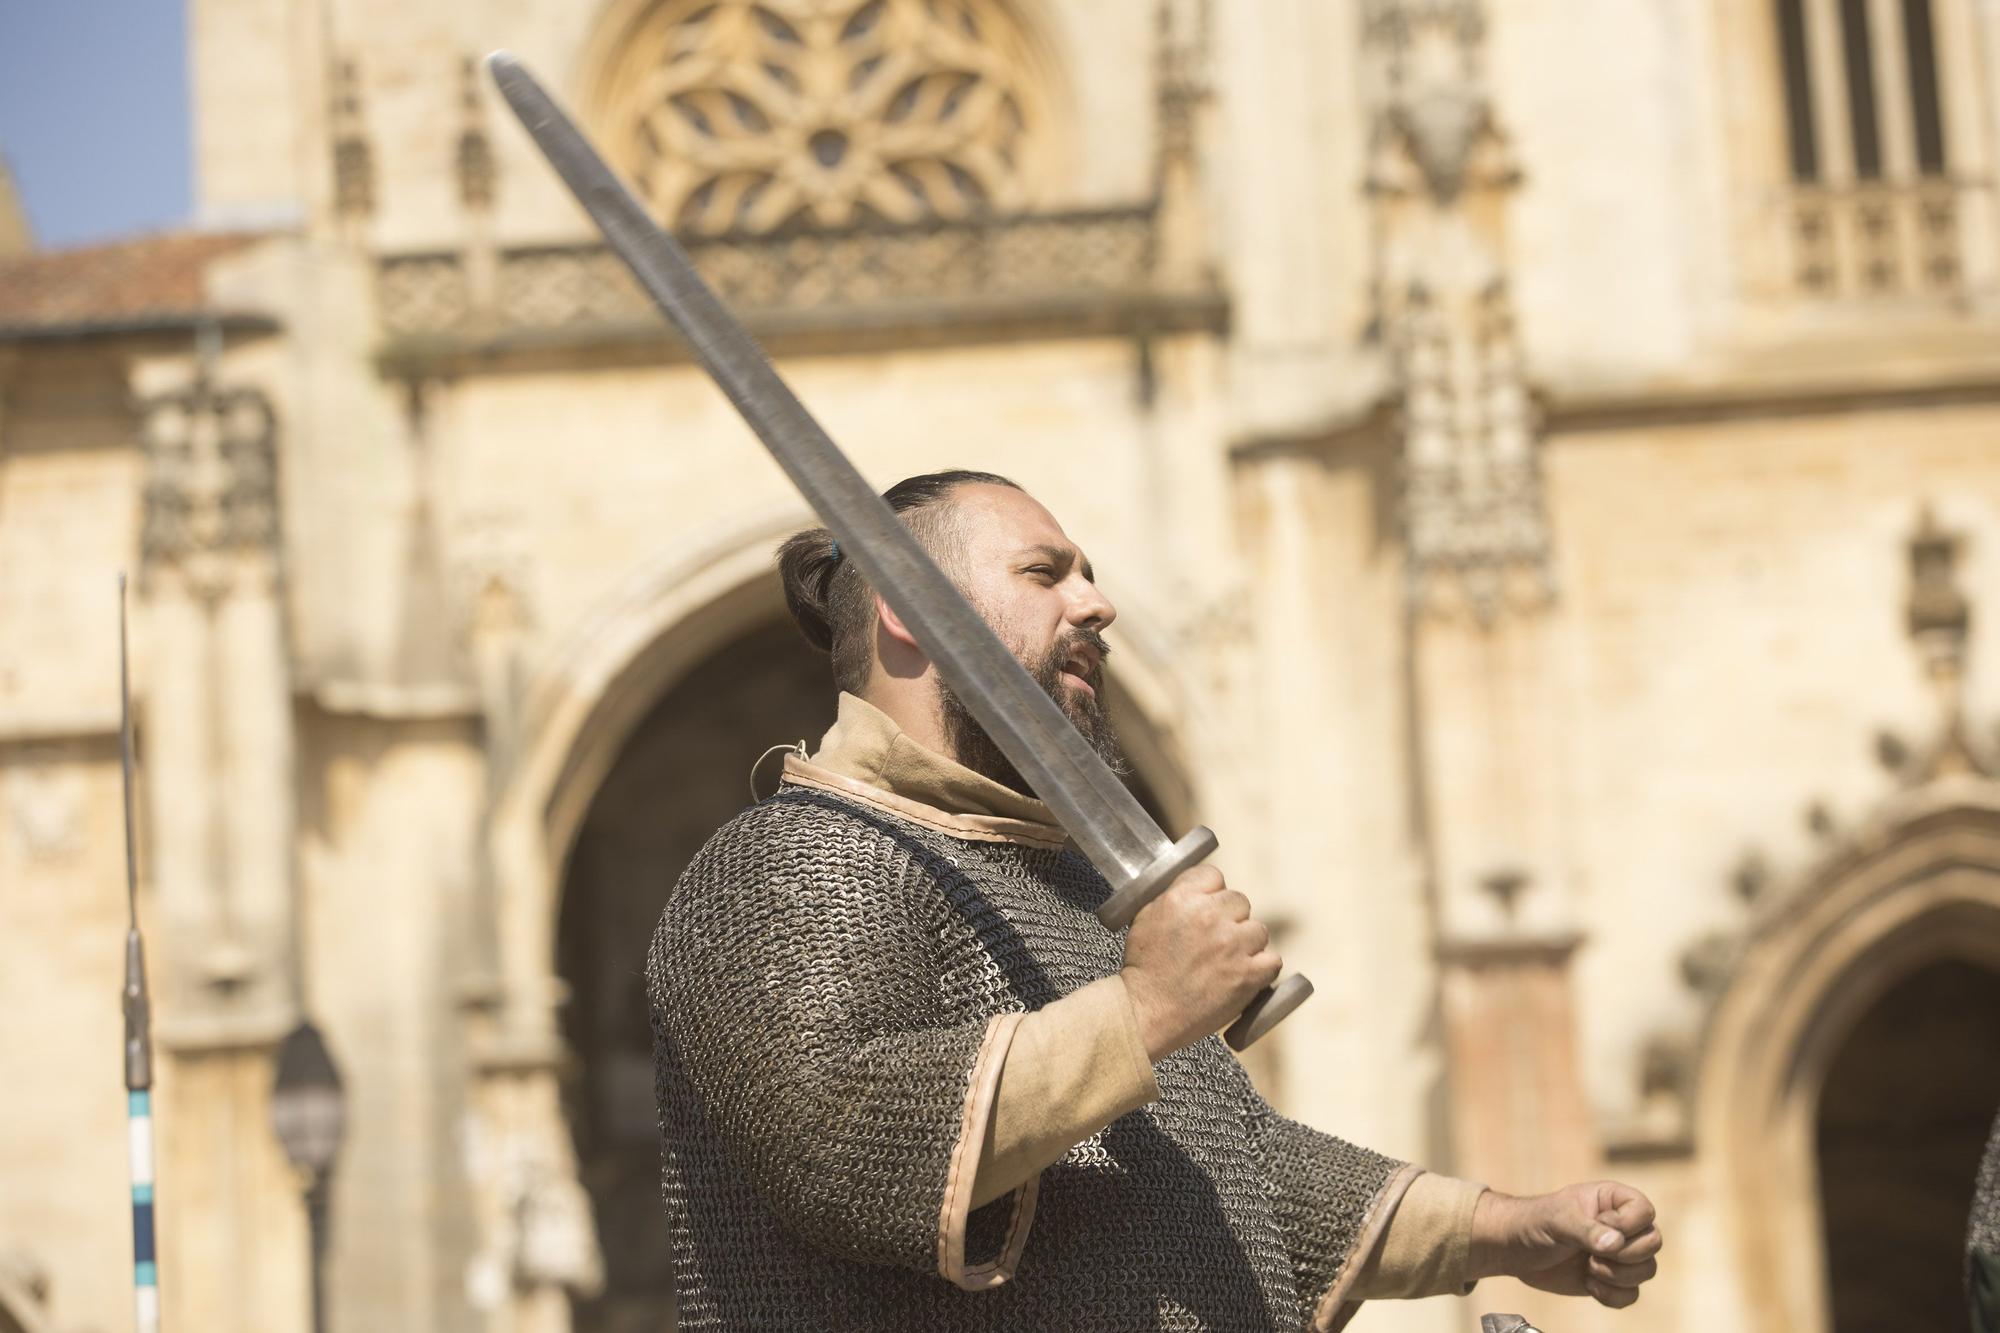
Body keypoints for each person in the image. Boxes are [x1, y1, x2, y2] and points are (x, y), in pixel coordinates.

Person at [646, 470, 1663, 1330]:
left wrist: (1502, 1227)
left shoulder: (1064, 886)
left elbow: (1230, 1176)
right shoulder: (787, 863)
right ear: (909, 610)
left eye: (1086, 573)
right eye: (1044, 573)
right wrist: (1146, 1007)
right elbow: (838, 1139)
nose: (1095, 604)